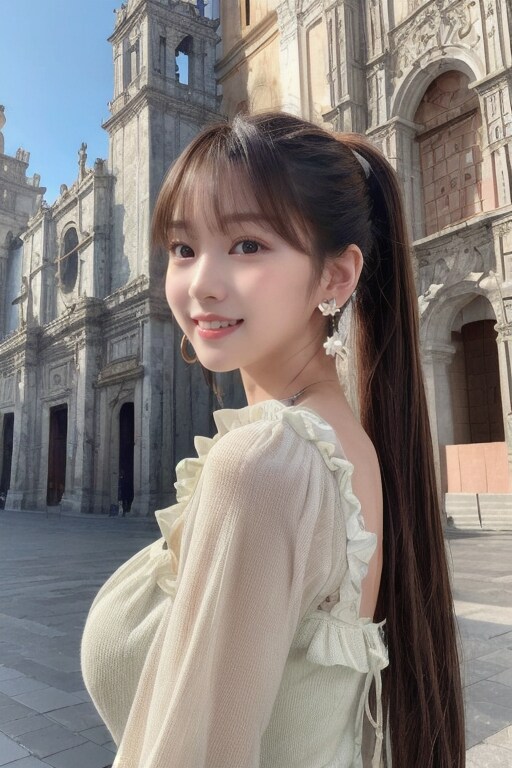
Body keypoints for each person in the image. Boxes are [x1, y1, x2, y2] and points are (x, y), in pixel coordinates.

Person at [81, 112, 465, 767]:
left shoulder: (264, 464)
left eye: (247, 245)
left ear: (335, 277)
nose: (201, 283)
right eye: (182, 248)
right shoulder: (343, 445)